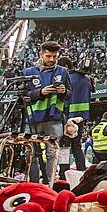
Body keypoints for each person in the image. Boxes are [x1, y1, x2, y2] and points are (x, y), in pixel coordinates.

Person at [24, 41, 70, 181]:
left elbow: (69, 94)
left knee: (53, 153)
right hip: (33, 119)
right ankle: (33, 183)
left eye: (54, 57)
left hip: (54, 118)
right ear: (41, 54)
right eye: (48, 56)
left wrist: (64, 91)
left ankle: (49, 184)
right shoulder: (28, 72)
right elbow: (23, 96)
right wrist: (40, 92)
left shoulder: (63, 71)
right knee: (30, 153)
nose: (51, 59)